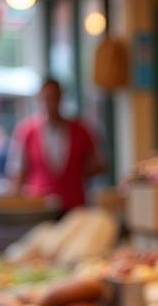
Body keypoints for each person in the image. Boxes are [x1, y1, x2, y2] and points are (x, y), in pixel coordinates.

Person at [7, 78, 104, 211]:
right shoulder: (26, 131)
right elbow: (17, 173)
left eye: (54, 98)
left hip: (74, 205)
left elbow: (96, 165)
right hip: (38, 207)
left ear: (61, 98)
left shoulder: (82, 130)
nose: (50, 103)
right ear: (39, 99)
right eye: (46, 98)